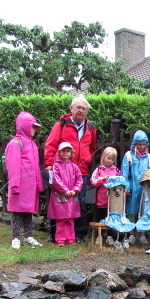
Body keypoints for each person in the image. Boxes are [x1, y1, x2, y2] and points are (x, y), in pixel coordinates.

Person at [43, 96, 98, 242]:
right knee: (58, 203)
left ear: (87, 112)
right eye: (78, 108)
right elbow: (51, 144)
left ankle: (78, 235)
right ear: (71, 109)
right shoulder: (61, 124)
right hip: (61, 171)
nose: (81, 111)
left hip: (81, 172)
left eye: (84, 109)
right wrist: (49, 164)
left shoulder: (91, 127)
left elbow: (92, 147)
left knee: (80, 203)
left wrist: (87, 159)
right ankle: (54, 234)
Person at [5, 111, 44, 250]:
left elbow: (36, 167)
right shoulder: (16, 143)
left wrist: (39, 184)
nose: (35, 129)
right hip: (20, 185)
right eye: (33, 126)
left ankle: (28, 236)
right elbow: (13, 166)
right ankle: (15, 237)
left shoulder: (32, 144)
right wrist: (15, 185)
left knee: (28, 210)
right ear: (25, 126)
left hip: (30, 186)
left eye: (36, 127)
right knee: (17, 211)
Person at [121, 130, 150, 246]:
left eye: (144, 144)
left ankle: (142, 234)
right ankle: (131, 234)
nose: (142, 147)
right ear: (135, 144)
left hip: (145, 189)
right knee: (131, 211)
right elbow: (124, 173)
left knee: (144, 211)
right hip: (132, 188)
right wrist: (126, 187)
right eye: (139, 144)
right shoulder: (128, 156)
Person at [48, 142, 83, 246]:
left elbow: (79, 179)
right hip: (60, 196)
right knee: (61, 219)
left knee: (70, 219)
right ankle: (60, 239)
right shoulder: (56, 166)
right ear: (59, 152)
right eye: (63, 151)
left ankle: (71, 238)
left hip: (72, 197)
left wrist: (75, 190)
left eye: (68, 151)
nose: (66, 153)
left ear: (71, 153)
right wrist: (65, 191)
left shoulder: (74, 166)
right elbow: (56, 180)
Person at [90, 147, 121, 245]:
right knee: (101, 217)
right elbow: (93, 181)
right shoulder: (98, 169)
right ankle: (99, 236)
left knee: (111, 217)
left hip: (113, 200)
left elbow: (120, 181)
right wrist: (102, 179)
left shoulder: (116, 170)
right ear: (103, 156)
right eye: (108, 158)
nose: (110, 161)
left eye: (112, 159)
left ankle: (109, 236)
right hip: (101, 198)